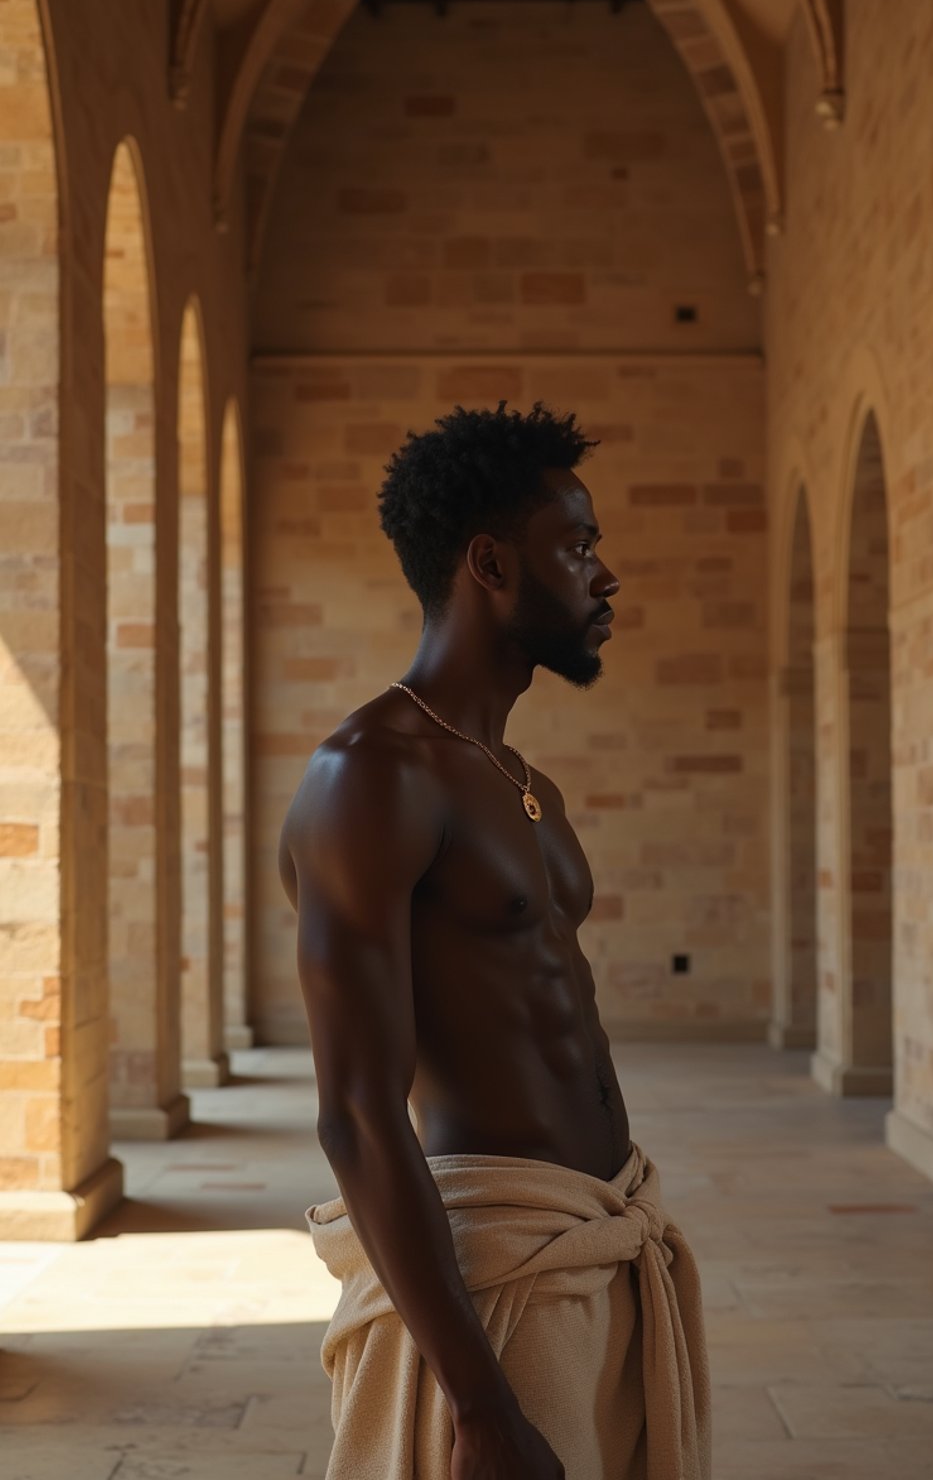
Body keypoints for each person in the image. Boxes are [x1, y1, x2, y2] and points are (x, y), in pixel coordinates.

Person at [279, 403, 710, 1480]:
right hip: (493, 1287)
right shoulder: (370, 776)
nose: (604, 576)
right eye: (576, 546)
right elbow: (356, 1110)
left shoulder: (526, 784)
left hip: (599, 1241)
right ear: (489, 563)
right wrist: (477, 1406)